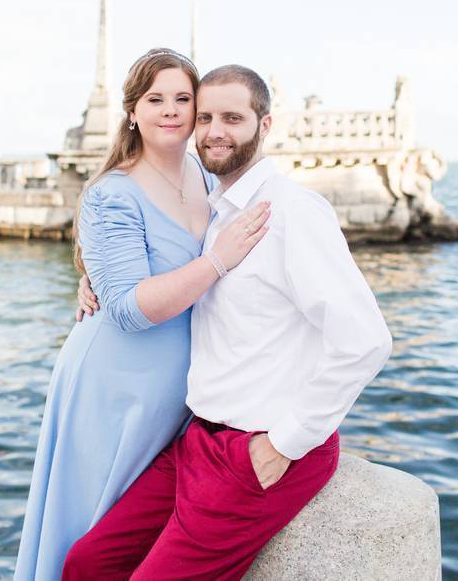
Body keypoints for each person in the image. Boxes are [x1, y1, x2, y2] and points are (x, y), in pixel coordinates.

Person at [65, 64, 393, 580]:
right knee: (88, 563)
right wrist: (97, 282)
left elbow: (365, 340)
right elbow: (152, 266)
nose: (216, 131)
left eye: (233, 118)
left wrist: (285, 442)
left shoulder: (289, 212)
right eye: (208, 117)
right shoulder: (214, 207)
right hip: (197, 439)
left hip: (258, 450)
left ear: (263, 126)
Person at [14, 50, 269, 581]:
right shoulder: (113, 192)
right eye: (156, 99)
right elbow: (128, 310)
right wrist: (217, 260)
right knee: (90, 529)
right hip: (114, 385)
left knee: (133, 538)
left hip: (177, 391)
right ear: (132, 111)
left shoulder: (203, 174)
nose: (171, 111)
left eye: (183, 99)